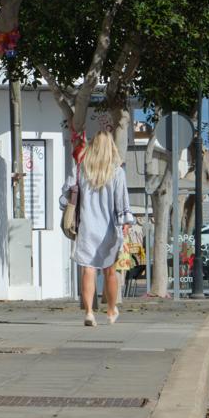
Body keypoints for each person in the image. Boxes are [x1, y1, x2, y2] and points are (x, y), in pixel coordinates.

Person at [60, 131, 134, 326]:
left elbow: (65, 197)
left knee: (88, 269)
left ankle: (90, 313)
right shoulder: (117, 172)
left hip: (86, 227)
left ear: (92, 147)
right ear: (111, 147)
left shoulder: (81, 169)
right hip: (109, 228)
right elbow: (122, 202)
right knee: (110, 271)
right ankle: (110, 311)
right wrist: (125, 222)